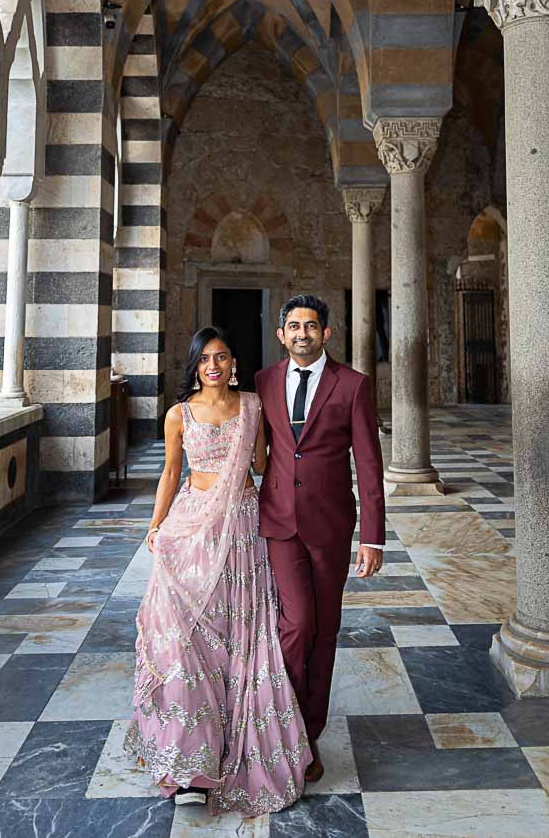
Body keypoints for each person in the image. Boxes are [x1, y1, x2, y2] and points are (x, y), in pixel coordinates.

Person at [125, 326, 311, 816]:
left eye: (222, 357)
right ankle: (191, 762)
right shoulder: (178, 414)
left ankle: (236, 744)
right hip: (191, 525)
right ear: (195, 365)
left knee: (237, 633)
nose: (213, 366)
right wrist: (156, 526)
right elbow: (170, 473)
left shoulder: (252, 407)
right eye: (205, 358)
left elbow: (262, 465)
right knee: (185, 636)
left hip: (242, 529)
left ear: (233, 365)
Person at [256, 294, 386, 783]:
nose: (302, 334)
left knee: (324, 630)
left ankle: (308, 736)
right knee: (297, 625)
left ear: (326, 333)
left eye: (311, 325)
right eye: (294, 326)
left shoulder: (352, 386)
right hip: (279, 523)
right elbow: (252, 448)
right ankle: (282, 730)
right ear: (281, 334)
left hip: (331, 526)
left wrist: (373, 538)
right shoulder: (263, 382)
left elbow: (369, 464)